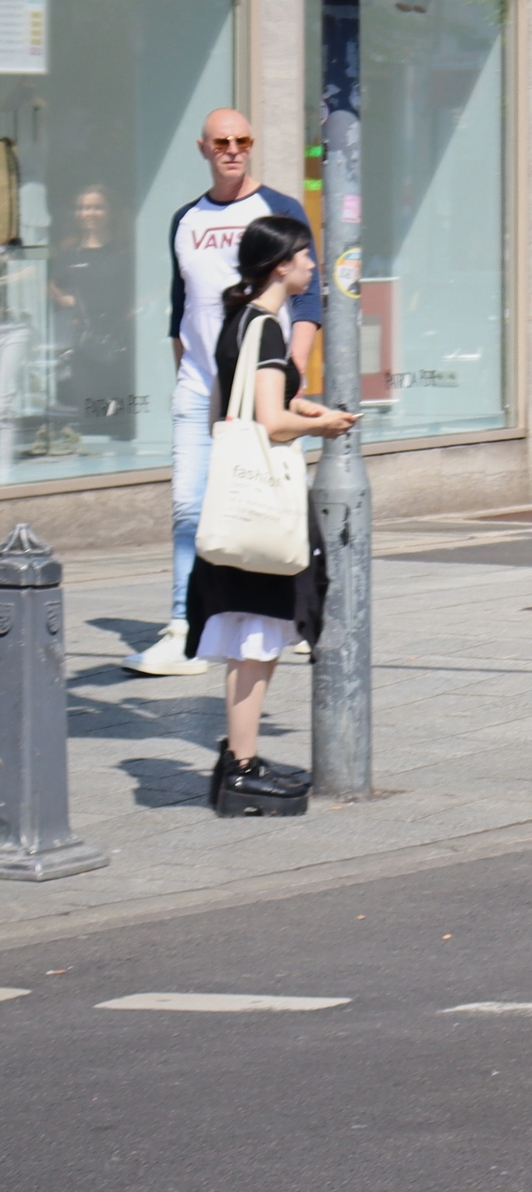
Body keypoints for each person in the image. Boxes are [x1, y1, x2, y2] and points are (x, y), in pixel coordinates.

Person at [125, 110, 319, 678]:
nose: (233, 150)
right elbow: (179, 305)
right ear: (203, 148)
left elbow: (309, 300)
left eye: (242, 141)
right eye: (222, 142)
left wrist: (290, 374)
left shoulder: (279, 209)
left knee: (273, 503)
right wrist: (189, 373)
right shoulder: (185, 219)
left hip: (260, 384)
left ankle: (291, 617)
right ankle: (185, 628)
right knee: (190, 508)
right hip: (199, 388)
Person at [184, 216, 358, 814]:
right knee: (258, 638)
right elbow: (269, 423)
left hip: (239, 500)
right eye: (305, 257)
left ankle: (239, 761)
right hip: (263, 507)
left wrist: (296, 401)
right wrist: (323, 423)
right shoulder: (267, 326)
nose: (312, 267)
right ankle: (241, 770)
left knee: (247, 638)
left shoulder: (239, 322)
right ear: (281, 263)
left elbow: (231, 407)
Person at [48, 185, 134, 443]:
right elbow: (52, 283)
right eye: (84, 207)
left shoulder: (124, 251)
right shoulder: (70, 252)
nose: (89, 213)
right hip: (86, 347)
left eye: (96, 207)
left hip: (121, 345)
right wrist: (64, 299)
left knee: (121, 417)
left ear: (109, 212)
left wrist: (130, 313)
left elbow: (142, 288)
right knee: (91, 417)